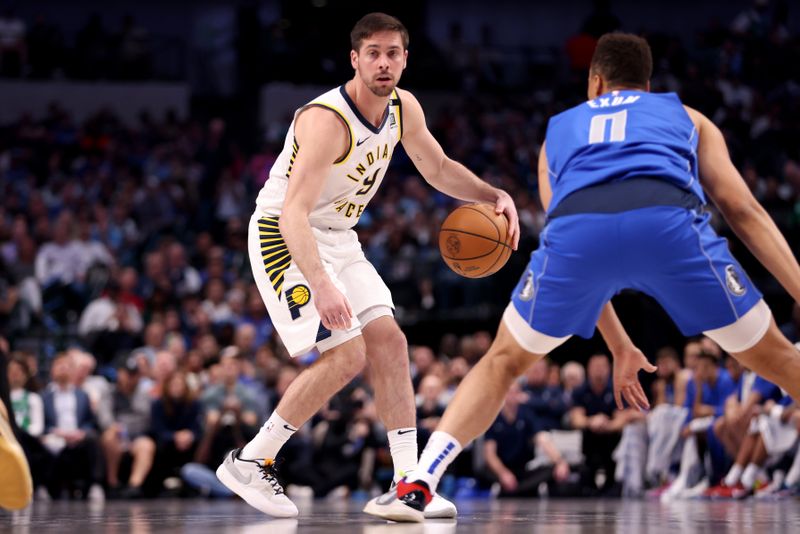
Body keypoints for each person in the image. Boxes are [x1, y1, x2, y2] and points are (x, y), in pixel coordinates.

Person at [366, 32, 800, 521]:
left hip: (578, 232)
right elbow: (742, 209)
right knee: (780, 360)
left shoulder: (558, 131)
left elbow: (577, 244)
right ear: (648, 85)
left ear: (595, 81)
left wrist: (618, 345)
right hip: (667, 225)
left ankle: (420, 480)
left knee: (501, 362)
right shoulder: (687, 117)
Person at [215, 12, 519, 519]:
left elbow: (437, 167)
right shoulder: (325, 120)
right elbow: (292, 213)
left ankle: (407, 485)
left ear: (405, 59)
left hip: (338, 236)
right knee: (347, 354)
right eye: (373, 53)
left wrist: (494, 194)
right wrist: (322, 284)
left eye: (393, 53)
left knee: (391, 342)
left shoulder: (403, 108)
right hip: (285, 232)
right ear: (355, 59)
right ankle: (252, 459)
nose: (384, 63)